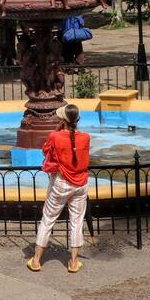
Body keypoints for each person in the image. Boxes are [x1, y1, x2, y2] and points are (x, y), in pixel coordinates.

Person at [28, 103, 90, 274]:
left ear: (62, 119)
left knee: (48, 220)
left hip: (61, 183)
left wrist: (58, 129)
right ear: (77, 119)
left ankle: (36, 260)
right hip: (81, 183)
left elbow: (45, 150)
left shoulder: (55, 136)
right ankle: (74, 262)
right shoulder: (86, 137)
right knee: (76, 222)